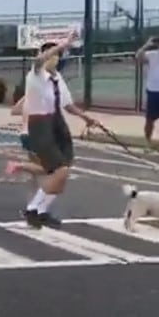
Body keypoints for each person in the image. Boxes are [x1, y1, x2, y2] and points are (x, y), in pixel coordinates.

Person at [20, 34, 100, 229]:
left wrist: (86, 117)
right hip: (40, 123)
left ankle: (41, 211)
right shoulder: (35, 75)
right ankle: (32, 209)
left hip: (57, 121)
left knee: (64, 169)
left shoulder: (57, 78)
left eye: (57, 55)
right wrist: (64, 43)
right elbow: (39, 61)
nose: (54, 58)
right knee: (60, 170)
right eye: (50, 54)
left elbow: (67, 104)